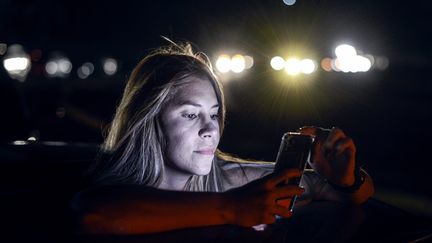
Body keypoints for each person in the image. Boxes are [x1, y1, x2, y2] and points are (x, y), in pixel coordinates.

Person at [72, 42, 374, 235]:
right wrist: (231, 208)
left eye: (214, 114)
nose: (210, 130)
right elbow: (95, 215)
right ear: (149, 121)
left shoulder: (235, 181)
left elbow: (353, 194)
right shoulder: (111, 191)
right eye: (190, 114)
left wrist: (346, 180)